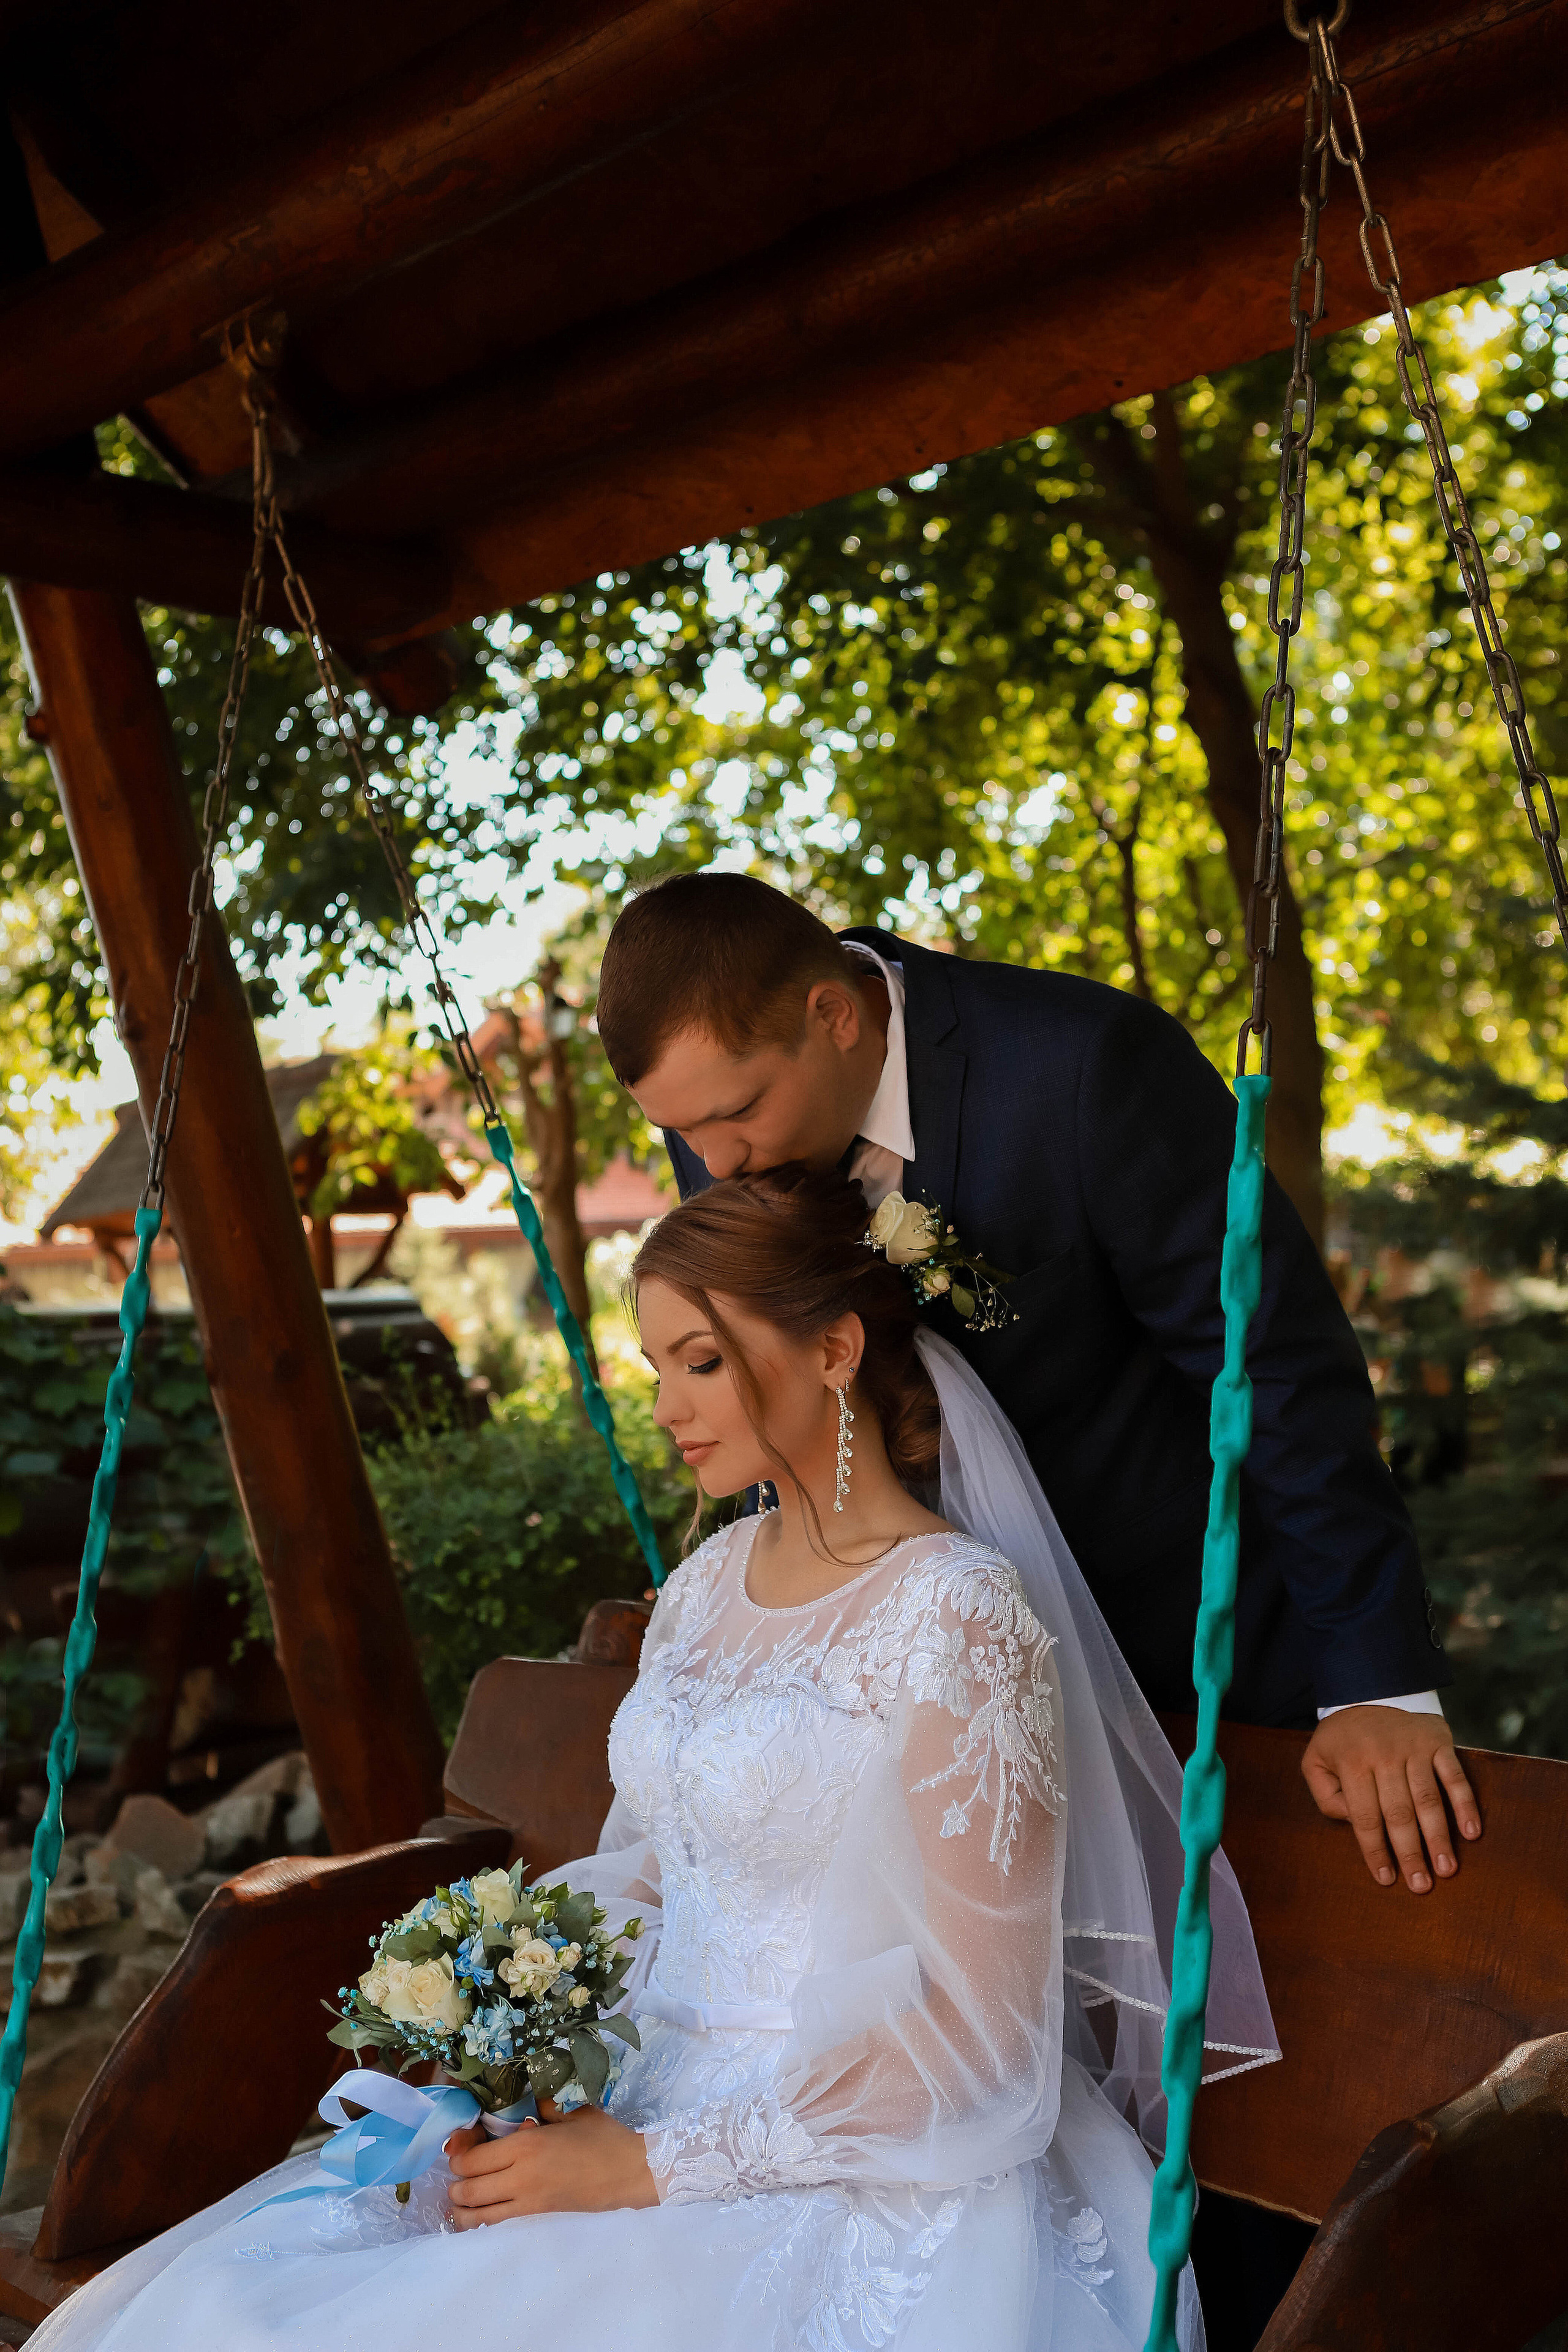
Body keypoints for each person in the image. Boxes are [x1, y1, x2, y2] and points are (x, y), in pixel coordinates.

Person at [29, 1167, 1275, 2352]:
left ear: (834, 1351)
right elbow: (657, 1871)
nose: (668, 1407)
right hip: (637, 2083)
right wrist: (504, 2028)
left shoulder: (957, 1617)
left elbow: (983, 2040)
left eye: (699, 1362)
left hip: (856, 2147)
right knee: (255, 2303)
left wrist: (647, 2169)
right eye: (655, 1368)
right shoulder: (701, 1588)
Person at [595, 872, 1482, 1904]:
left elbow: (1274, 1368)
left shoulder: (1084, 1068)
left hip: (1194, 1677)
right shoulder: (721, 1117)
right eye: (684, 1132)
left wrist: (1375, 1681)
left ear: (832, 1015)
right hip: (924, 1720)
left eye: (736, 1115)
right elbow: (792, 1379)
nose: (715, 1162)